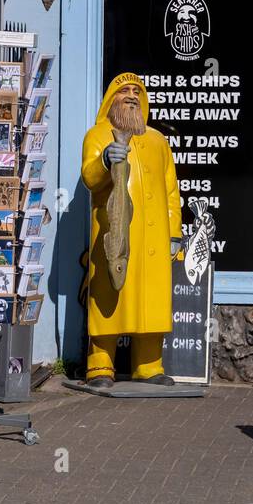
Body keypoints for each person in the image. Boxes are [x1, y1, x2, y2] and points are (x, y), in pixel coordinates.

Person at [81, 73, 182, 387]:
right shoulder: (97, 136)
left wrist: (174, 233)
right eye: (123, 91)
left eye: (136, 91)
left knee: (151, 300)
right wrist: (105, 162)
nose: (131, 95)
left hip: (153, 237)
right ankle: (100, 365)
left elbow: (170, 190)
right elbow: (89, 178)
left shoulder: (157, 140)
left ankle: (149, 365)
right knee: (109, 295)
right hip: (115, 232)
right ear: (111, 99)